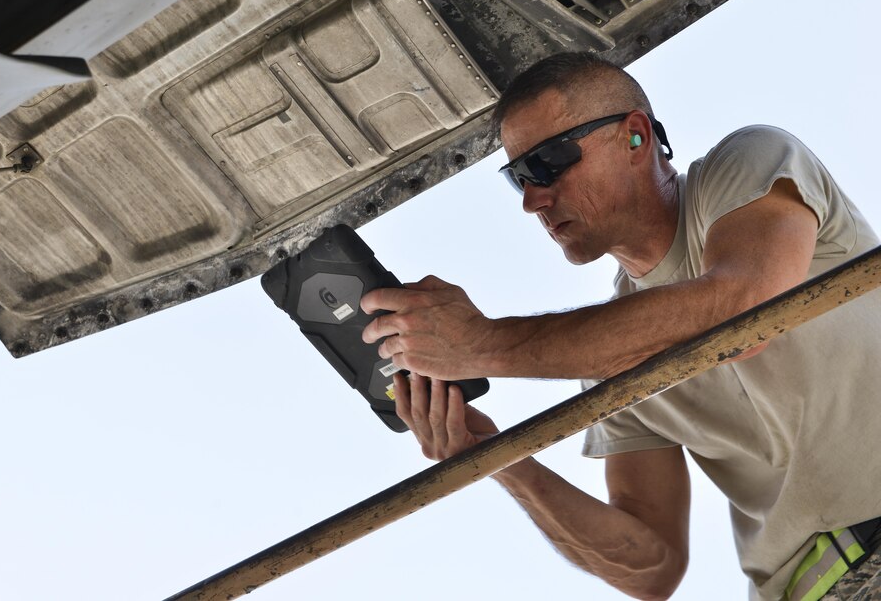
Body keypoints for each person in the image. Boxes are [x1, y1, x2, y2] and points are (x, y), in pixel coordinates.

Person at [359, 52, 881, 600]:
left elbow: (744, 310)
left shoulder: (751, 161)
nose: (533, 200)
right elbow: (651, 570)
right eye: (519, 179)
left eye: (549, 162)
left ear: (636, 137)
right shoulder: (608, 356)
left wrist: (482, 345)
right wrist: (491, 455)